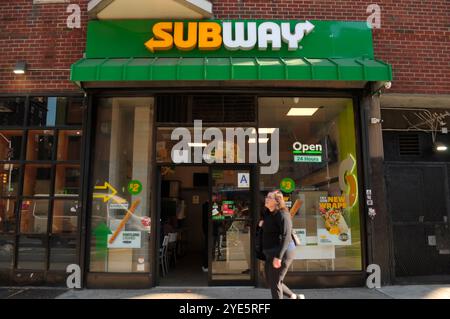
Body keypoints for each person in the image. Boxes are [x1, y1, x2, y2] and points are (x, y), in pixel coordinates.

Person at [261, 190, 305, 299]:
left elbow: (286, 237)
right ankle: (293, 296)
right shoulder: (269, 213)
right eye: (267, 197)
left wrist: (279, 257)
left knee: (275, 282)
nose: (266, 199)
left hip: (283, 252)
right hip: (270, 251)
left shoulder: (283, 214)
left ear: (277, 201)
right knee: (269, 280)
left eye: (269, 197)